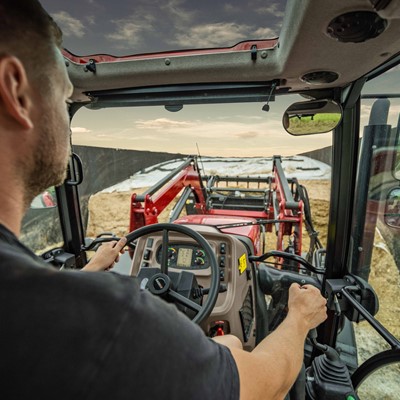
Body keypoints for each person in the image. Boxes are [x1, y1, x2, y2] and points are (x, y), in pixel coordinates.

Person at [0, 1, 327, 399]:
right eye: (65, 97)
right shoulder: (117, 318)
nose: (67, 125)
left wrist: (84, 274)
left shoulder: (37, 300)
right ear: (16, 90)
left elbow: (45, 315)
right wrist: (298, 319)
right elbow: (264, 385)